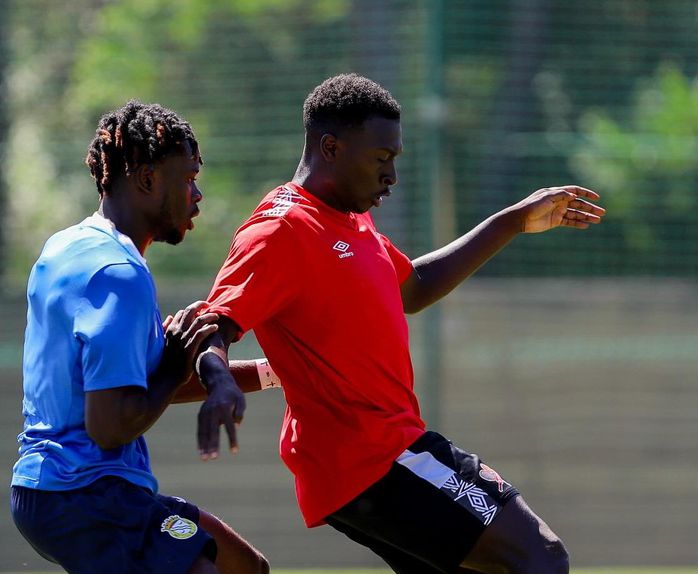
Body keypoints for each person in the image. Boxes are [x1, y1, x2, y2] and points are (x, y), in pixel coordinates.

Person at [194, 74, 605, 573]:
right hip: (375, 457)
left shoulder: (349, 217)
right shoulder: (280, 230)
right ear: (331, 147)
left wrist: (512, 221)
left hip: (381, 456)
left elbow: (415, 286)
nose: (391, 175)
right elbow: (214, 324)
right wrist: (218, 381)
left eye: (395, 160)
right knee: (539, 559)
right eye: (381, 159)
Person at [9, 100, 269, 574]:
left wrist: (277, 375)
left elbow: (131, 390)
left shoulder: (66, 245)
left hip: (49, 491)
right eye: (188, 178)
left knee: (243, 566)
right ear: (148, 179)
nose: (198, 194)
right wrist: (171, 366)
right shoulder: (119, 274)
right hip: (86, 493)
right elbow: (110, 425)